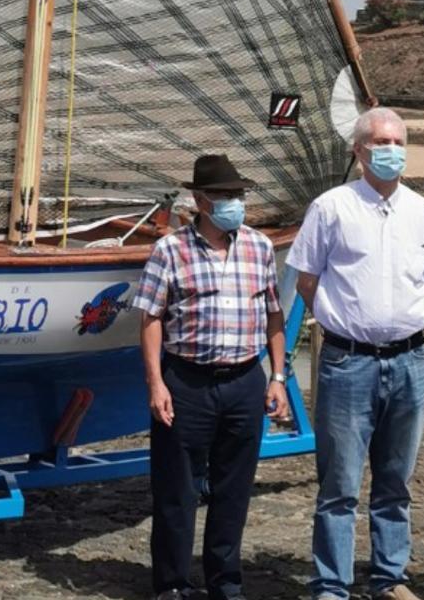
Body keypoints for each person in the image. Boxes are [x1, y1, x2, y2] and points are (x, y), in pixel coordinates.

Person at [287, 107, 424, 600]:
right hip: (348, 362)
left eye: (397, 141)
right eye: (379, 142)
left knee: (396, 480)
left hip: (411, 362)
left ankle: (389, 577)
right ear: (358, 151)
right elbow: (306, 281)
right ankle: (332, 585)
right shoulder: (330, 207)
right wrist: (344, 322)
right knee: (339, 484)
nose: (390, 150)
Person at [133, 153, 289, 600]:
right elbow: (149, 318)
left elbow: (273, 314)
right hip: (188, 381)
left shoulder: (259, 247)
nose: (234, 203)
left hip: (244, 381)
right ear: (200, 201)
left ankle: (226, 582)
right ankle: (173, 585)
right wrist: (156, 383)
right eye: (225, 196)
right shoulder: (170, 249)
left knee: (233, 490)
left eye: (238, 195)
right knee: (176, 491)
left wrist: (277, 376)